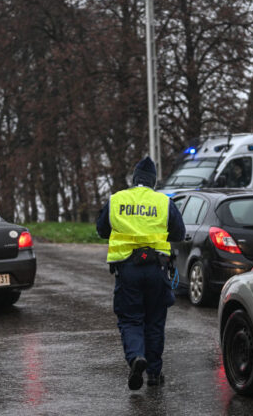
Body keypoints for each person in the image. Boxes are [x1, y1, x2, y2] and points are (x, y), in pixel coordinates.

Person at [96, 156, 185, 390]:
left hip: (127, 270)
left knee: (130, 318)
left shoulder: (117, 199)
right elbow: (179, 232)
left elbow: (101, 229)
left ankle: (136, 357)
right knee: (155, 321)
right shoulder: (163, 202)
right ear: (153, 181)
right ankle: (154, 374)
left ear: (134, 179)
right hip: (157, 269)